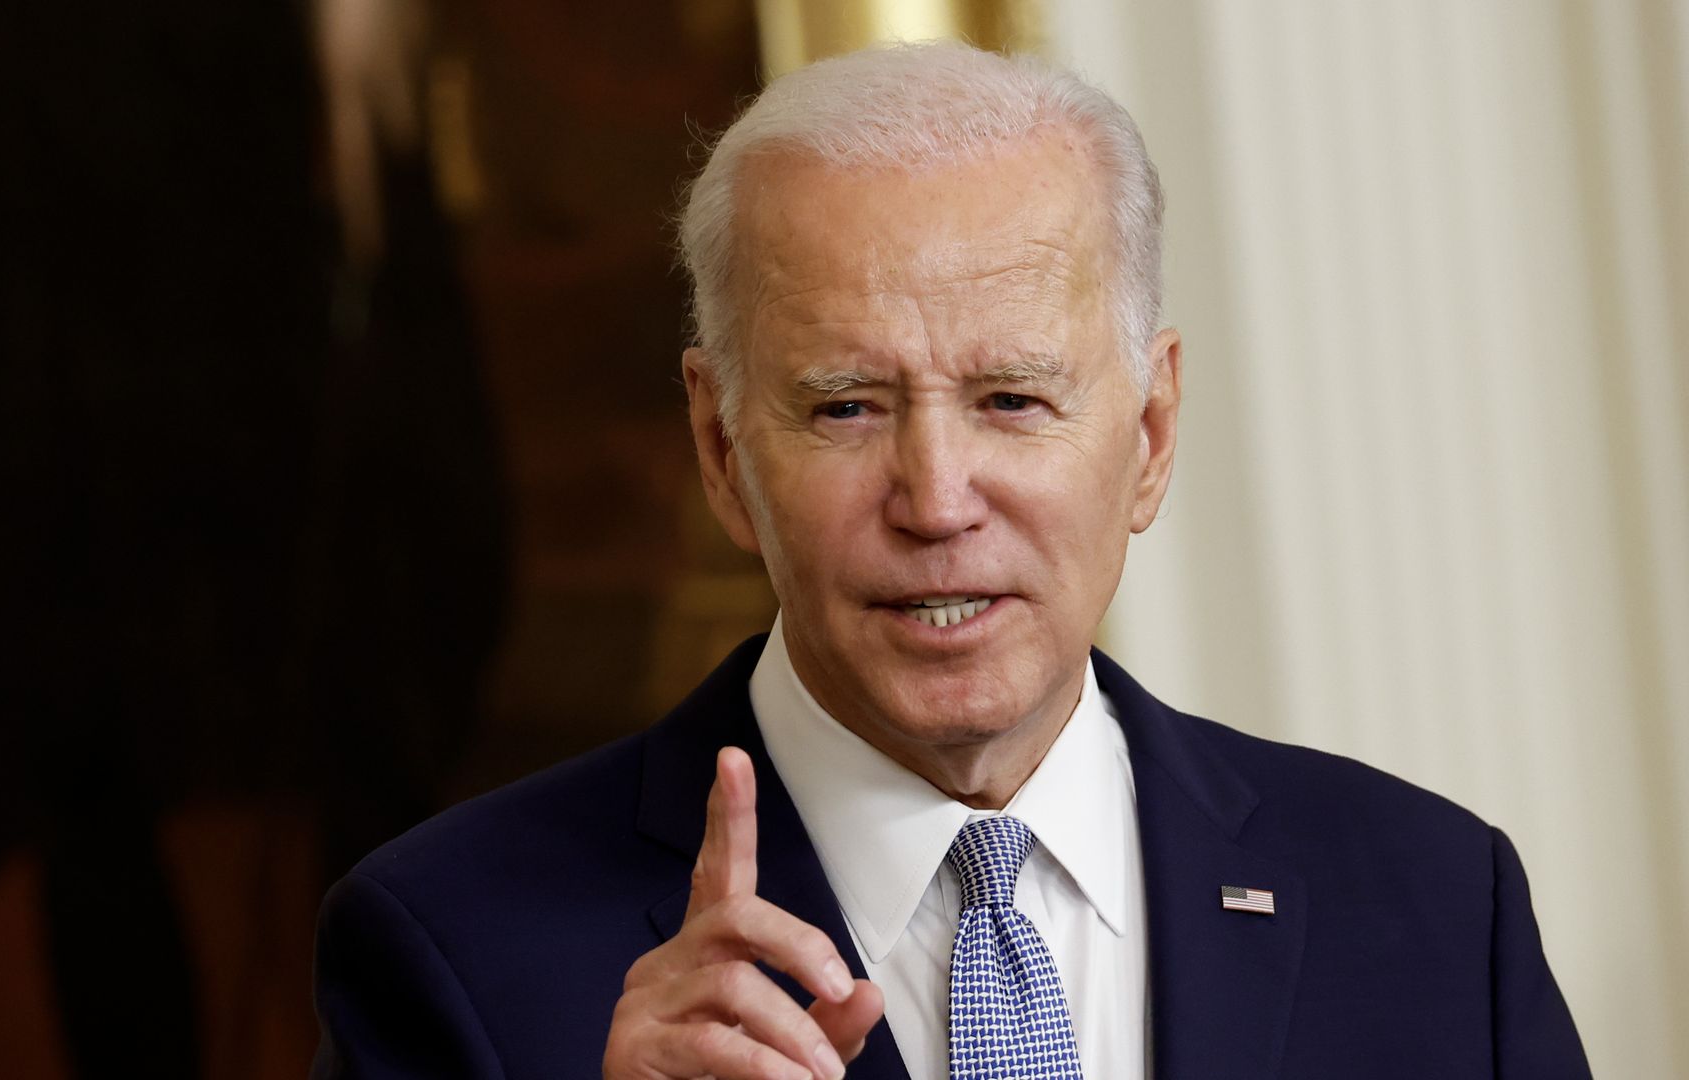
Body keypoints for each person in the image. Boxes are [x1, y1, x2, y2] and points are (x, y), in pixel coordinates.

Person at [310, 42, 1590, 1079]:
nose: (935, 501)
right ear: (721, 448)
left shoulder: (1435, 908)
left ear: (1150, 435)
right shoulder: (451, 953)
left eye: (1012, 400)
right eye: (846, 407)